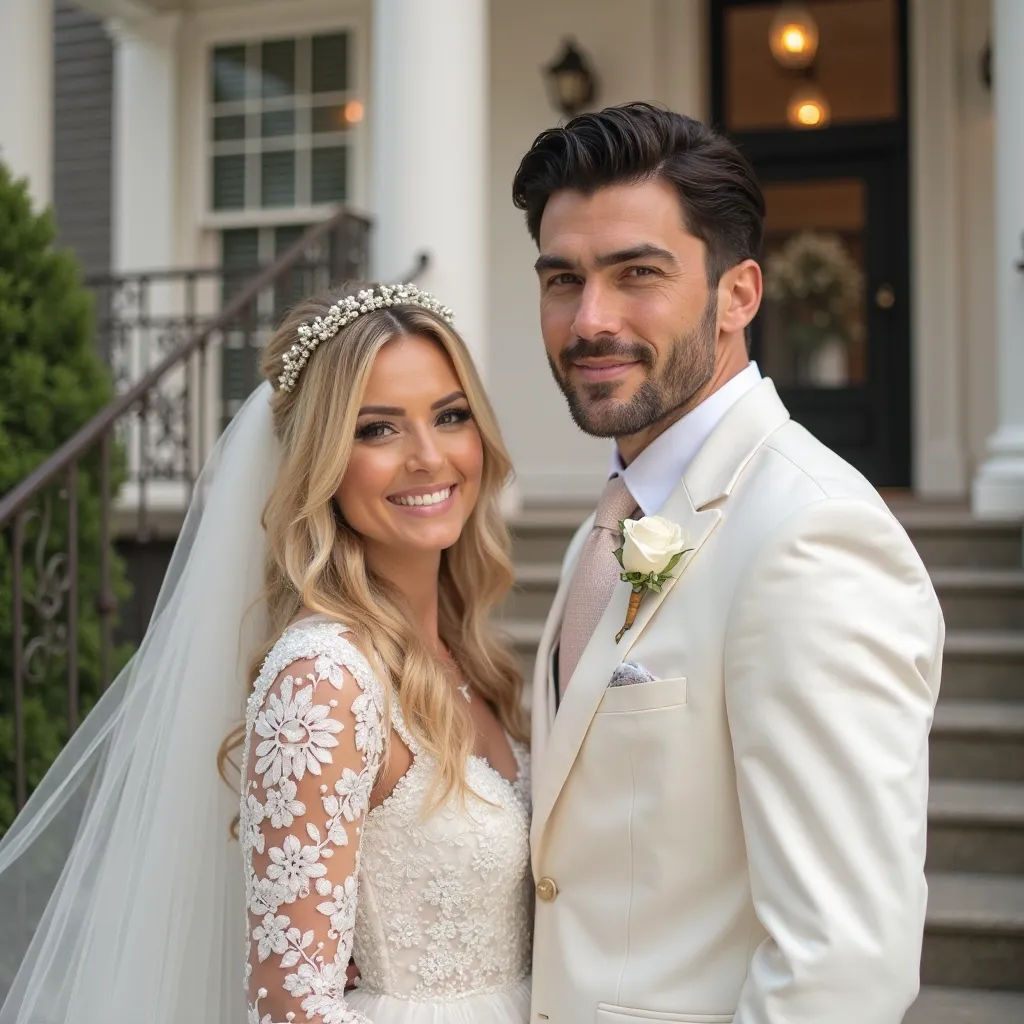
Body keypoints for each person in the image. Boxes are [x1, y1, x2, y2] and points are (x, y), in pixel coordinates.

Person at [514, 102, 944, 1024]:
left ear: (739, 294)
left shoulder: (811, 537)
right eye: (563, 280)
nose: (590, 320)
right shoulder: (622, 513)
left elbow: (843, 965)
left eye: (638, 274)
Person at [0, 283, 533, 1024]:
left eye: (450, 416)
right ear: (320, 460)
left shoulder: (472, 657)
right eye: (376, 430)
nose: (428, 456)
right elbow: (292, 1009)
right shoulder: (324, 681)